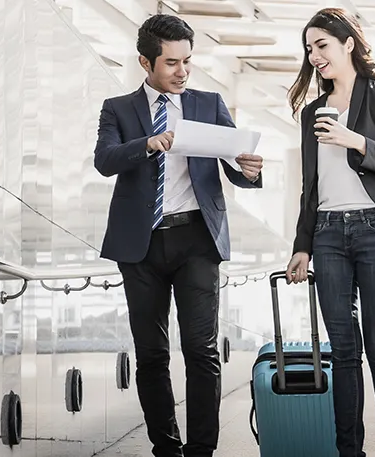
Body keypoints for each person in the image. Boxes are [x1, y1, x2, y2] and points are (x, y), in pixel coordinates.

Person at [92, 13, 265, 457]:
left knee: (201, 350)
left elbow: (234, 162)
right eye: (171, 63)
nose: (183, 71)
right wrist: (149, 143)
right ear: (145, 63)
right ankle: (166, 448)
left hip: (197, 241)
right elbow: (105, 160)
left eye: (187, 60)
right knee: (151, 354)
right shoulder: (119, 108)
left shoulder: (208, 104)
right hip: (141, 244)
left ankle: (201, 449)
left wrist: (248, 172)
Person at [282, 8, 375, 457]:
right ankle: (348, 452)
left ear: (348, 44)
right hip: (329, 235)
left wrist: (354, 140)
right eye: (309, 49)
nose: (314, 55)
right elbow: (310, 186)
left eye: (321, 45)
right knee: (342, 352)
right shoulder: (313, 112)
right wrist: (302, 246)